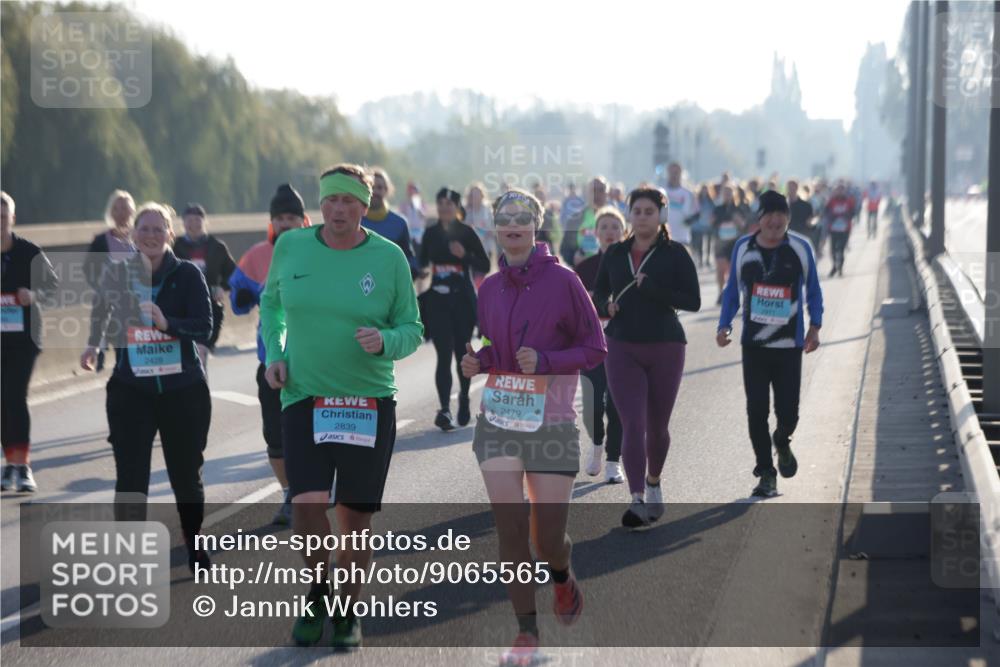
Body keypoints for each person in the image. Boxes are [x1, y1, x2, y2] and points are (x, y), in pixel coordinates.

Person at [260, 164, 422, 650]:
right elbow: (272, 305)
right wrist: (276, 352)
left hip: (366, 402)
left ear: (365, 206)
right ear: (321, 204)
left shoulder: (389, 257)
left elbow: (412, 328)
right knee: (307, 508)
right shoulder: (292, 246)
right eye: (331, 200)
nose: (338, 209)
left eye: (349, 201)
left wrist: (386, 340)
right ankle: (317, 593)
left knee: (354, 521)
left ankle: (348, 610)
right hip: (304, 396)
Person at [461, 188, 606, 665]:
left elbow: (595, 348)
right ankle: (527, 633)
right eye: (504, 217)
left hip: (552, 423)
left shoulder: (564, 281)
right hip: (499, 420)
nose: (513, 224)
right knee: (510, 529)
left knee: (547, 541)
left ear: (535, 224)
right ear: (495, 227)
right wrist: (479, 361)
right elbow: (494, 347)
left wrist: (546, 361)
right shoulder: (489, 287)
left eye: (522, 217)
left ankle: (561, 574)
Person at [80, 202, 214, 571]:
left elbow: (204, 326)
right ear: (133, 234)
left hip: (182, 391)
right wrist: (93, 344)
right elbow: (101, 311)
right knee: (130, 477)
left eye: (158, 229)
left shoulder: (187, 274)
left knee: (186, 477)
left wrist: (168, 324)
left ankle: (193, 541)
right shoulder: (118, 273)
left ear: (170, 234)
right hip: (131, 391)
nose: (151, 235)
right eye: (144, 229)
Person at [593, 187, 701, 528]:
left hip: (666, 346)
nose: (642, 217)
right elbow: (598, 292)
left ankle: (654, 482)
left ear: (661, 215)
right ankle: (637, 498)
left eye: (649, 211)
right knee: (633, 424)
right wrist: (605, 305)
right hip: (622, 346)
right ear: (629, 215)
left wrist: (653, 289)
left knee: (657, 427)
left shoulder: (675, 253)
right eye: (636, 211)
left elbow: (693, 301)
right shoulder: (616, 253)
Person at [717, 190, 823, 497]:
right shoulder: (743, 247)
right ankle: (766, 472)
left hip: (789, 346)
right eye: (769, 214)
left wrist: (815, 326)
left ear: (788, 218)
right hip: (754, 346)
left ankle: (782, 439)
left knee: (789, 413)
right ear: (759, 218)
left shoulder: (800, 247)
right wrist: (724, 325)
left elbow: (813, 290)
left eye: (781, 215)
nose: (775, 221)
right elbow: (732, 291)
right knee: (756, 411)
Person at [229, 184, 311, 526]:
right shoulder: (257, 255)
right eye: (280, 217)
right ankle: (290, 493)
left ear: (304, 220)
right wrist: (244, 296)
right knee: (275, 439)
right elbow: (237, 297)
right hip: (272, 363)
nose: (285, 222)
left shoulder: (321, 251)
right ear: (272, 222)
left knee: (315, 435)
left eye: (292, 217)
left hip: (316, 361)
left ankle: (318, 488)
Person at [1, 192, 59, 493]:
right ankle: (9, 464)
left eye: (3, 217)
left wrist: (33, 295)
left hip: (25, 338)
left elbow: (54, 288)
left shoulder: (29, 252)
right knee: (2, 399)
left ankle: (23, 466)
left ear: (12, 219)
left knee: (15, 395)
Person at [418, 188, 490, 431]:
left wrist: (465, 255)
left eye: (449, 203)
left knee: (461, 354)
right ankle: (444, 409)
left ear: (458, 207)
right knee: (442, 355)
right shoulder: (430, 233)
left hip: (462, 301)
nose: (444, 207)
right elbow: (422, 261)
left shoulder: (466, 232)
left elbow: (484, 264)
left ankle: (464, 398)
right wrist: (421, 270)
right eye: (440, 202)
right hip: (438, 300)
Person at [574, 207, 626, 484]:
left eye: (615, 227)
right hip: (591, 345)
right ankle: (596, 446)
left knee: (616, 406)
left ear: (624, 232)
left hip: (622, 344)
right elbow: (571, 307)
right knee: (592, 406)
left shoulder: (631, 266)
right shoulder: (584, 268)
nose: (609, 232)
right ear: (595, 233)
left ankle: (613, 462)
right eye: (604, 227)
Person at [172, 204, 237, 372]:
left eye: (197, 220)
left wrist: (222, 287)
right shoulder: (175, 247)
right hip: (182, 309)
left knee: (201, 352)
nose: (193, 224)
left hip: (210, 307)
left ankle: (199, 385)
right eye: (189, 220)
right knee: (189, 356)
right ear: (183, 223)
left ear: (204, 221)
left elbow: (233, 273)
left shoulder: (217, 247)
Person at [362, 168, 419, 278]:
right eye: (371, 186)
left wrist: (415, 270)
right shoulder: (355, 220)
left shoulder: (399, 223)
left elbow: (409, 258)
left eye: (379, 187)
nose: (375, 191)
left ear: (387, 190)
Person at [712, 185, 746, 305]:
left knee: (733, 271)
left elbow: (743, 225)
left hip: (733, 242)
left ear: (733, 194)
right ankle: (720, 292)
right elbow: (711, 223)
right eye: (725, 193)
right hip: (721, 242)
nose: (727, 195)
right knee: (720, 268)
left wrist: (738, 221)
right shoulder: (718, 209)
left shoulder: (738, 209)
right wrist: (715, 220)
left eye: (729, 193)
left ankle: (731, 293)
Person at [823, 182, 856, 277]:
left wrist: (845, 216)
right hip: (833, 228)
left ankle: (840, 268)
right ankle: (834, 266)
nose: (840, 192)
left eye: (842, 190)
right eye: (838, 190)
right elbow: (826, 211)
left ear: (844, 191)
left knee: (841, 249)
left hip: (845, 228)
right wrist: (833, 217)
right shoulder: (831, 200)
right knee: (833, 249)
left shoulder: (849, 200)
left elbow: (853, 212)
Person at [665, 162, 699, 248]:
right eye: (671, 172)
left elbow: (697, 214)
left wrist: (689, 221)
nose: (674, 175)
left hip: (682, 238)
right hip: (664, 238)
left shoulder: (688, 194)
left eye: (676, 172)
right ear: (668, 173)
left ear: (681, 173)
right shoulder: (661, 192)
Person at [397, 181, 427, 259]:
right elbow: (401, 217)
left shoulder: (422, 204)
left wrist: (418, 207)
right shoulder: (403, 205)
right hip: (408, 233)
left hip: (419, 234)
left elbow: (423, 216)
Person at [691, 183, 716, 268]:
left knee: (709, 243)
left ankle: (708, 260)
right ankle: (700, 260)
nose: (704, 191)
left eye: (706, 189)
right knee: (700, 244)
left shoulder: (711, 200)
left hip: (709, 225)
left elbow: (714, 210)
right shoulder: (698, 200)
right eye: (703, 189)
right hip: (699, 225)